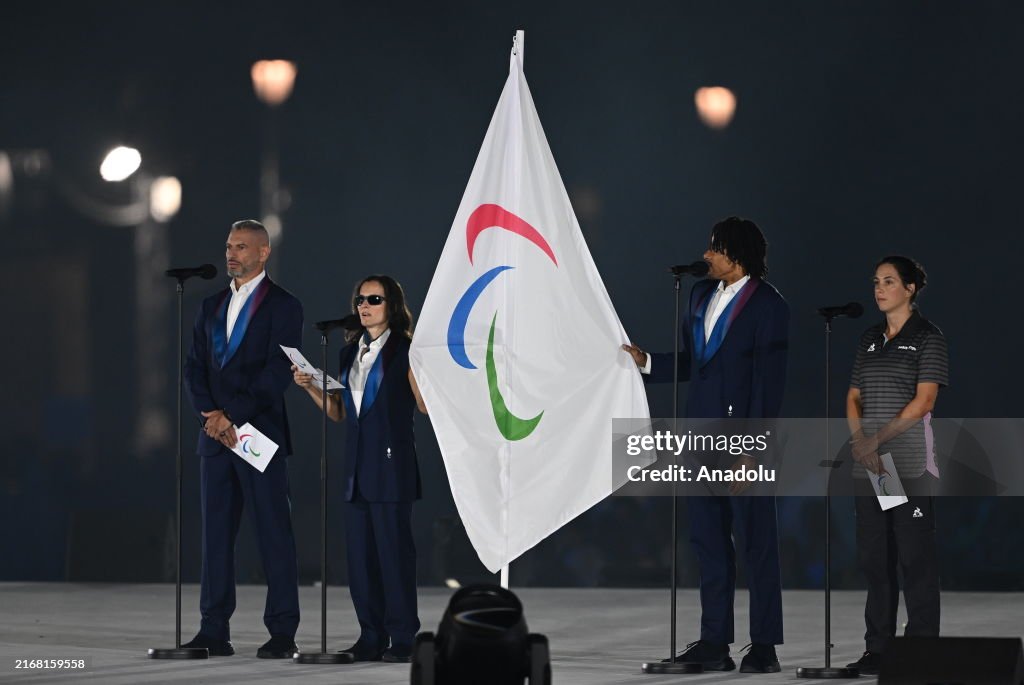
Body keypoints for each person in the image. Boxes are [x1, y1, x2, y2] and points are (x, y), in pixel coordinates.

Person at [622, 216, 789, 673]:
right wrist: (648, 362)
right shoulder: (697, 295)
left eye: (714, 248)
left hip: (743, 441)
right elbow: (695, 363)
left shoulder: (768, 305)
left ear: (735, 254)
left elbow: (768, 384)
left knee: (756, 541)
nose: (707, 255)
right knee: (707, 540)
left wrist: (752, 448)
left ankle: (764, 646)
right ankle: (715, 641)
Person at [182, 219, 303, 658]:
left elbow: (277, 373)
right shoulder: (210, 305)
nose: (232, 254)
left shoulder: (283, 306)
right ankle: (214, 629)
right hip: (215, 437)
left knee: (274, 532)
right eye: (230, 246)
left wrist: (232, 414)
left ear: (264, 253)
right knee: (215, 537)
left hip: (258, 434)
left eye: (242, 247)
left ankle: (283, 631)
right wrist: (211, 415)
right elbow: (194, 367)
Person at [293, 274, 427, 663]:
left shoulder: (406, 350)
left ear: (392, 305)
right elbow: (339, 413)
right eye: (360, 300)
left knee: (394, 556)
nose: (364, 306)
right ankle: (371, 634)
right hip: (356, 468)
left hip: (392, 466)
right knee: (360, 559)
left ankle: (402, 636)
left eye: (374, 299)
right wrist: (309, 387)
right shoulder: (348, 354)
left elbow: (423, 405)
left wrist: (421, 366)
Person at [844, 256, 948, 675]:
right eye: (875, 282)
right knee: (877, 559)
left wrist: (874, 441)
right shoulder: (870, 337)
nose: (879, 288)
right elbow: (853, 397)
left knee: (915, 559)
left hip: (906, 463)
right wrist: (859, 442)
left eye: (889, 281)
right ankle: (879, 649)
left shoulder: (928, 336)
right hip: (875, 468)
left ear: (910, 288)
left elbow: (924, 401)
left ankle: (921, 651)